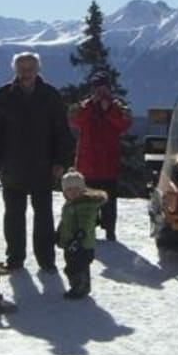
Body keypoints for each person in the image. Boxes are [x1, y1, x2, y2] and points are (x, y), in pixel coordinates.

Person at [0, 52, 74, 271]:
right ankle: (15, 259)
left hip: (43, 165)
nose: (26, 73)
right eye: (22, 68)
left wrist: (61, 162)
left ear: (38, 70)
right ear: (15, 70)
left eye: (30, 68)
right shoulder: (3, 94)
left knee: (44, 217)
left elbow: (62, 132)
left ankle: (46, 260)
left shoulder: (50, 95)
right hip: (12, 165)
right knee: (13, 216)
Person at [68, 70, 132, 241]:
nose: (101, 92)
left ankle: (110, 230)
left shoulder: (118, 107)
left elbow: (124, 124)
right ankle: (88, 228)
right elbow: (74, 121)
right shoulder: (84, 106)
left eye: (104, 88)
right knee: (87, 201)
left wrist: (108, 110)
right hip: (87, 165)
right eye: (97, 89)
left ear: (110, 89)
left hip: (108, 165)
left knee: (109, 202)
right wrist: (91, 106)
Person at [56, 170, 106, 299]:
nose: (72, 192)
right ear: (64, 192)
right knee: (73, 266)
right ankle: (80, 286)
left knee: (77, 267)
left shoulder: (85, 205)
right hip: (71, 243)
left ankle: (80, 288)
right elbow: (66, 221)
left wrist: (79, 236)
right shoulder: (71, 203)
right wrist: (60, 233)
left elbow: (87, 222)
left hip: (82, 244)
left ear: (82, 189)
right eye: (69, 189)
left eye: (76, 189)